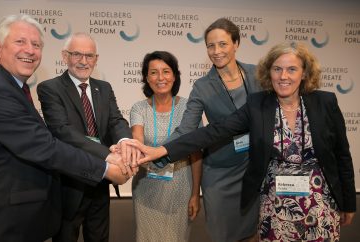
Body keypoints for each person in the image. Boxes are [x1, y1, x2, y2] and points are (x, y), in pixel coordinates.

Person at [128, 41, 356, 241]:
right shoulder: (259, 105)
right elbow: (214, 132)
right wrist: (162, 150)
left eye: (292, 69)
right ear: (269, 72)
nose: (283, 76)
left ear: (304, 73)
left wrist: (348, 203)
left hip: (319, 202)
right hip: (276, 204)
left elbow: (342, 155)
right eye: (277, 69)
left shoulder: (325, 102)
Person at [0, 15, 131, 242]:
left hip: (19, 215)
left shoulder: (12, 86)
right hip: (4, 221)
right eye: (20, 42)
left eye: (36, 45)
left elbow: (115, 121)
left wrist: (124, 145)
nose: (30, 50)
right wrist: (105, 168)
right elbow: (46, 146)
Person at [166, 17, 261, 241]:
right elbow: (187, 129)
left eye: (222, 44)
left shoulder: (258, 75)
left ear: (236, 43)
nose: (216, 51)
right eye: (210, 45)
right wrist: (158, 150)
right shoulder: (202, 86)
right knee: (223, 233)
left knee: (251, 231)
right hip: (219, 171)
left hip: (254, 169)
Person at [37, 32, 138, 242]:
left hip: (101, 182)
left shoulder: (104, 88)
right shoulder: (50, 88)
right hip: (70, 183)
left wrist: (125, 142)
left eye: (89, 56)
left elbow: (116, 121)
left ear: (96, 59)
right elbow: (62, 131)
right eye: (77, 55)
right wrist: (108, 156)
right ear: (65, 56)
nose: (84, 61)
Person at [129, 51, 202, 242]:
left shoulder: (190, 109)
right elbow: (137, 141)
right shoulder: (139, 108)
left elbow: (196, 155)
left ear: (175, 75)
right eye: (154, 72)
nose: (160, 78)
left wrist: (195, 194)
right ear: (146, 77)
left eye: (166, 71)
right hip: (146, 189)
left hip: (180, 190)